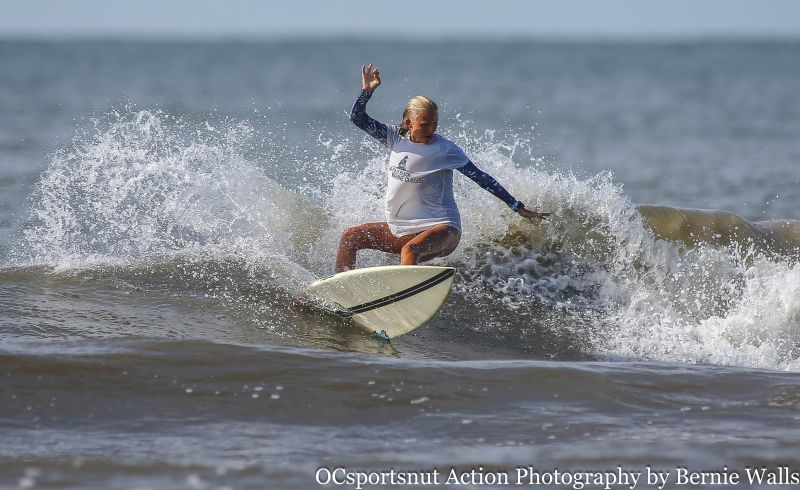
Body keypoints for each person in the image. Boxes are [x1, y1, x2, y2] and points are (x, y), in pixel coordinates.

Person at [336, 64, 549, 273]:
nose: (432, 129)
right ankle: (341, 293)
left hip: (443, 229)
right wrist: (367, 91)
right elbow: (357, 118)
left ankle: (405, 301)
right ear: (409, 123)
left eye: (435, 124)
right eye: (425, 124)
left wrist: (516, 206)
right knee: (351, 236)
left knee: (410, 250)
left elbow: (481, 177)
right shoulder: (394, 137)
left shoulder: (445, 149)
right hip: (401, 230)